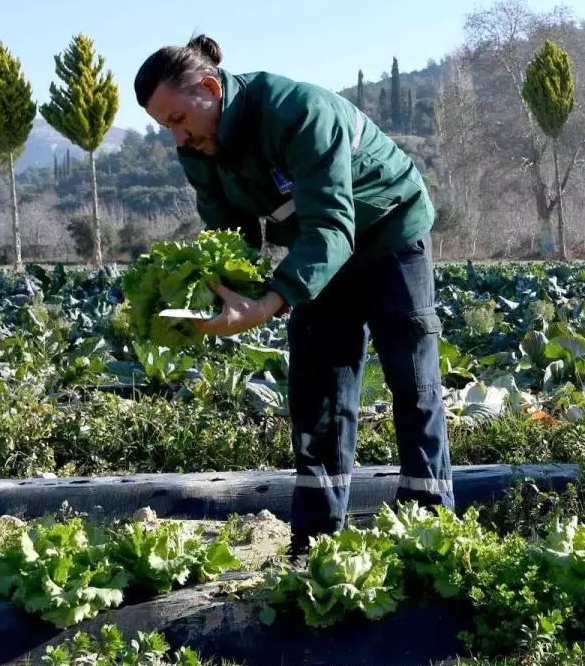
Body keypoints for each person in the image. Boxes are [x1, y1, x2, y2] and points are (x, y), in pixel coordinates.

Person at [133, 34, 454, 557]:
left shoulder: (297, 111)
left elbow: (333, 225)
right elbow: (229, 239)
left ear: (210, 89)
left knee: (411, 378)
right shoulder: (199, 148)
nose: (176, 138)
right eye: (164, 125)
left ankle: (430, 533)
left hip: (388, 231)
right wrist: (222, 292)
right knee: (316, 386)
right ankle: (316, 540)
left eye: (177, 119)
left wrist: (269, 302)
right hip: (317, 245)